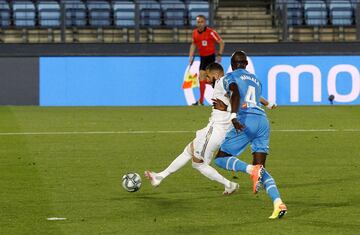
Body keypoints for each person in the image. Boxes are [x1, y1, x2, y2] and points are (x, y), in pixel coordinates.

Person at [213, 50, 287, 219]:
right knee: (260, 170)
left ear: (231, 66)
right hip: (263, 122)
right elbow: (255, 97)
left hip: (246, 120)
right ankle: (278, 203)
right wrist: (268, 105)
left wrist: (232, 116)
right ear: (246, 64)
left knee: (221, 158)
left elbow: (236, 92)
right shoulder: (256, 80)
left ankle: (250, 170)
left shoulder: (230, 77)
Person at [145, 62, 238, 195]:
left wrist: (227, 108)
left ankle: (229, 184)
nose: (206, 80)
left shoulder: (222, 82)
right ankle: (159, 176)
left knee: (198, 164)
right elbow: (237, 100)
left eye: (208, 76)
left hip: (215, 131)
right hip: (212, 129)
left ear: (216, 75)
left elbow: (238, 102)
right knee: (189, 150)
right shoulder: (226, 82)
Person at [189, 15, 225, 106]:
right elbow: (193, 44)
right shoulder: (195, 33)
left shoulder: (211, 32)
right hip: (202, 58)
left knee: (210, 79)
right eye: (198, 22)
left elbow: (221, 42)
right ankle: (201, 101)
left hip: (210, 57)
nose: (200, 24)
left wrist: (219, 54)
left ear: (205, 22)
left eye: (202, 22)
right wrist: (191, 56)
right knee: (201, 77)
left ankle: (223, 94)